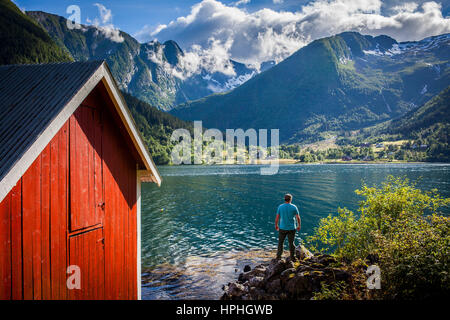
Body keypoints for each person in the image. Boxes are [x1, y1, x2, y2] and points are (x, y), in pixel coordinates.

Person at [275, 193, 301, 261]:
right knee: (291, 243)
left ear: (285, 199)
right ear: (290, 199)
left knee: (280, 243)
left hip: (282, 228)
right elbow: (298, 218)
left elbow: (277, 217)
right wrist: (299, 225)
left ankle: (278, 256)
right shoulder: (294, 207)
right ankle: (292, 257)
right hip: (291, 228)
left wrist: (276, 225)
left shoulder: (280, 207)